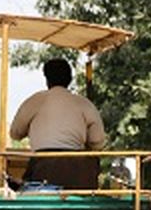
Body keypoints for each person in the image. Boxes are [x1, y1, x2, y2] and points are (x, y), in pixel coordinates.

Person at [8, 58, 104, 188]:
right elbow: (98, 142)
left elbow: (15, 133)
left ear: (47, 79)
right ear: (70, 79)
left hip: (44, 169)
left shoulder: (34, 101)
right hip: (80, 174)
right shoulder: (85, 104)